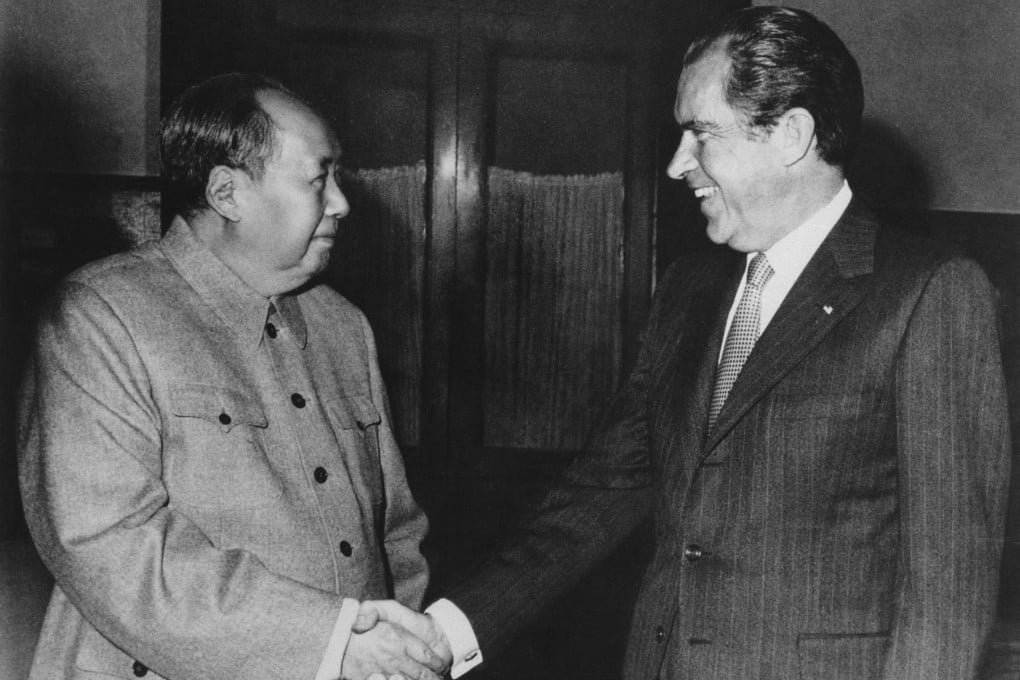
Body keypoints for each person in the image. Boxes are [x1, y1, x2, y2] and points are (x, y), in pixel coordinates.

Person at [356, 6, 1012, 679]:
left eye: (701, 135)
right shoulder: (689, 289)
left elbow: (947, 594)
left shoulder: (929, 293)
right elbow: (601, 494)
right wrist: (446, 631)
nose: (677, 165)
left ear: (791, 134)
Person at [18, 73, 451, 680]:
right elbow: (112, 548)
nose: (341, 203)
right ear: (227, 193)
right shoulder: (101, 316)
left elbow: (395, 535)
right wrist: (329, 645)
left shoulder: (344, 327)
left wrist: (400, 651)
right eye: (318, 178)